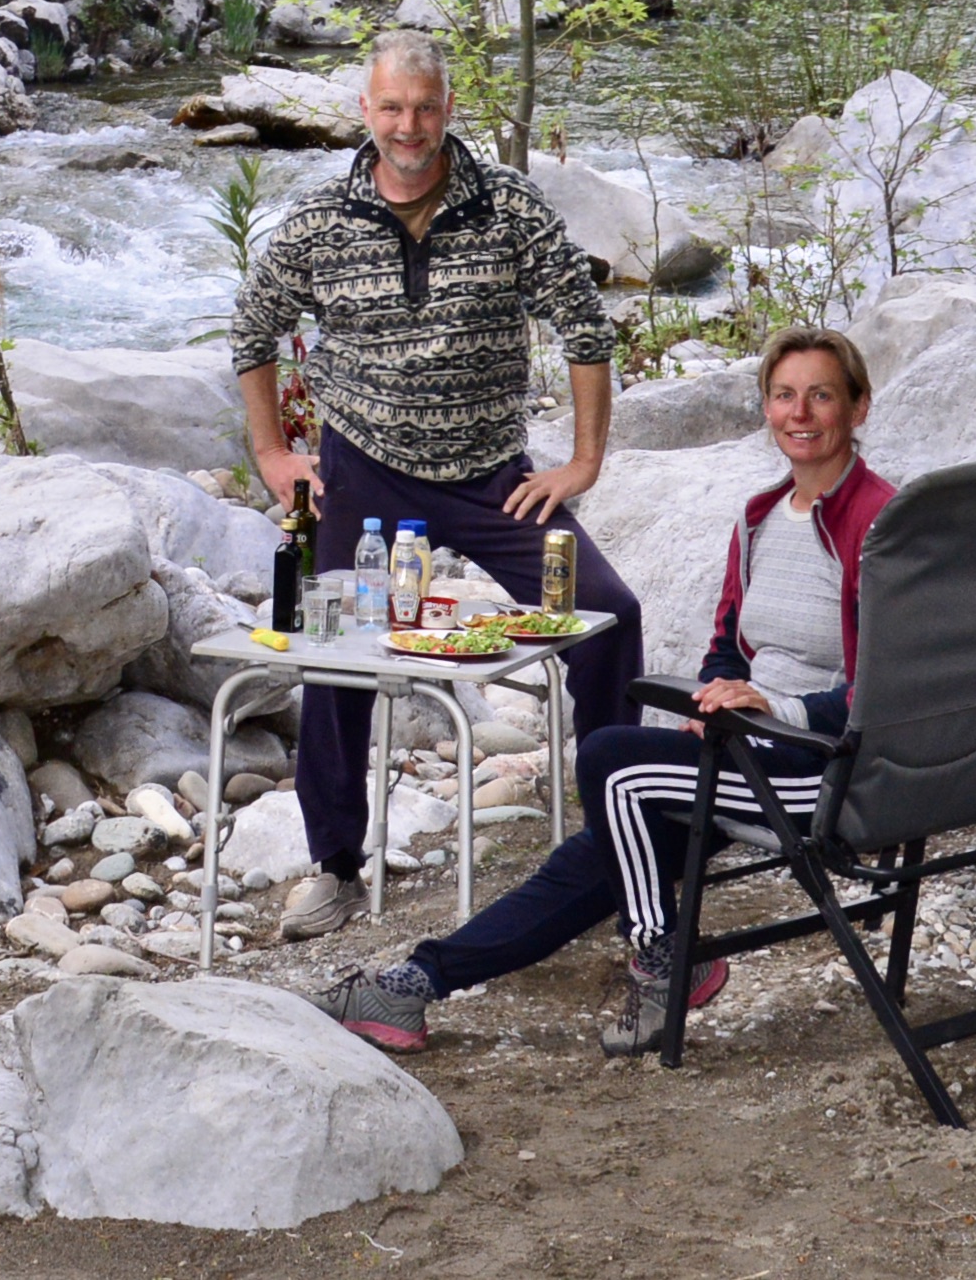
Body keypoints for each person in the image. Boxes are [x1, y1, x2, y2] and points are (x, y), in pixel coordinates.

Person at [306, 326, 896, 1057]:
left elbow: (892, 686)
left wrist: (778, 707)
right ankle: (413, 984)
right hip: (750, 749)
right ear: (766, 407)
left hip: (825, 765)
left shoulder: (881, 524)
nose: (799, 413)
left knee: (612, 761)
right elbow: (726, 647)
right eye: (783, 395)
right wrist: (713, 698)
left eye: (821, 396)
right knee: (598, 853)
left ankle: (660, 953)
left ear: (858, 408)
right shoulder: (758, 518)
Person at [229, 27, 640, 937]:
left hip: (493, 479)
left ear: (449, 109)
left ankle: (623, 842)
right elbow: (252, 329)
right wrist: (272, 454)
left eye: (423, 108)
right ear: (365, 111)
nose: (408, 126)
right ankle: (336, 863)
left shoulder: (510, 206)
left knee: (609, 616)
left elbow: (584, 328)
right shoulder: (320, 221)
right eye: (391, 108)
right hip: (361, 473)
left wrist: (582, 463)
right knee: (334, 655)